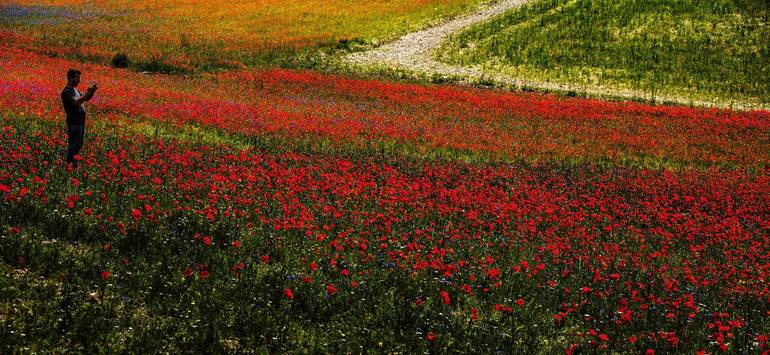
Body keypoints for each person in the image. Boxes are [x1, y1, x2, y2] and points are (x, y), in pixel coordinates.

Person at [61, 69, 98, 167]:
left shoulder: (75, 90)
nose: (79, 80)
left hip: (80, 123)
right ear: (70, 78)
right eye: (77, 78)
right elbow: (76, 102)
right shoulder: (66, 92)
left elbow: (85, 99)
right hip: (73, 123)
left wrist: (91, 92)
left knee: (78, 146)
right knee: (73, 146)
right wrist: (87, 94)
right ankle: (70, 166)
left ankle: (74, 165)